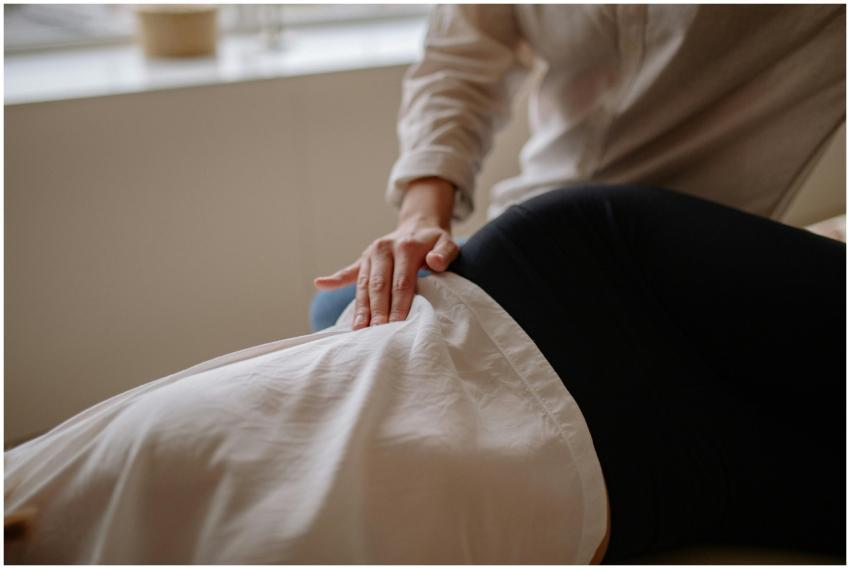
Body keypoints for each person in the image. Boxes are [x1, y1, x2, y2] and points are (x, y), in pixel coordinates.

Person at [4, 184, 844, 563]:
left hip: (569, 293)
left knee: (335, 311)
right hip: (638, 489)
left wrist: (417, 220)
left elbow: (457, 62)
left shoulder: (36, 496)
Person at [312, 4, 845, 331]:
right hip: (536, 216)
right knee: (338, 306)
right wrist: (420, 220)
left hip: (689, 241)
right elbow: (458, 64)